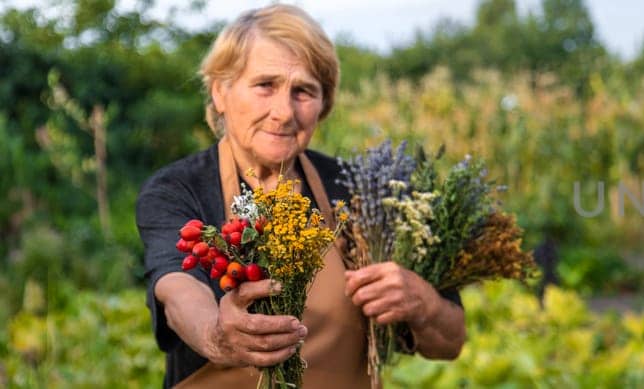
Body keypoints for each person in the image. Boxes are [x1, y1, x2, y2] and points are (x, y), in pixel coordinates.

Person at [135, 5, 464, 387]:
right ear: (220, 92)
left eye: (304, 91)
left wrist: (422, 303)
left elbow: (449, 342)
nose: (283, 112)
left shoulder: (361, 191)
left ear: (324, 104)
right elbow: (176, 288)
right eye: (265, 86)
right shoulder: (179, 188)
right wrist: (217, 335)